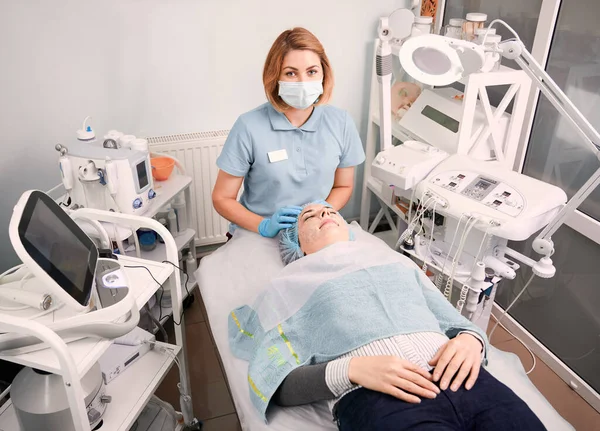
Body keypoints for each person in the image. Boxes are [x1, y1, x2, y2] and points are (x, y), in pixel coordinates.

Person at [229, 203, 545, 430]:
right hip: (379, 397)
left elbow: (455, 322)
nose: (324, 213)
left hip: (467, 379)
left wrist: (471, 341)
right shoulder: (288, 285)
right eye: (309, 216)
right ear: (295, 243)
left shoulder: (395, 263)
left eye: (330, 210)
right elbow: (275, 380)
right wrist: (350, 370)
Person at [212, 28, 365, 239]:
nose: (303, 82)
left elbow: (343, 185)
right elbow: (222, 198)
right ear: (275, 77)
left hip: (316, 229)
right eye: (291, 73)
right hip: (257, 232)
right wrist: (264, 225)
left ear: (323, 74)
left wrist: (322, 211)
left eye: (311, 71)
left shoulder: (341, 122)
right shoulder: (249, 126)